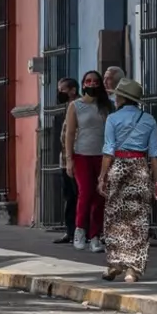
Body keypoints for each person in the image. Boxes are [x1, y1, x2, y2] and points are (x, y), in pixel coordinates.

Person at [97, 78, 157, 283]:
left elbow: (108, 150)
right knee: (139, 219)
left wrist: (102, 176)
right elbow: (154, 154)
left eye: (117, 95)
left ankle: (115, 263)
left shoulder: (113, 119)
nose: (115, 98)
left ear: (123, 98)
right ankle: (133, 270)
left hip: (119, 168)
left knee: (115, 218)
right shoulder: (149, 120)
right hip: (140, 169)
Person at [64, 70, 112, 252]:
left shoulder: (107, 106)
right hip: (81, 155)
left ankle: (95, 236)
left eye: (95, 81)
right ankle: (80, 230)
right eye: (88, 81)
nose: (91, 84)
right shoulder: (75, 106)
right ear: (83, 84)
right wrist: (69, 159)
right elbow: (69, 134)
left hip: (102, 156)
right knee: (85, 192)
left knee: (100, 196)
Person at [50, 77, 79, 244]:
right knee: (69, 196)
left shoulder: (80, 106)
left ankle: (82, 231)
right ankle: (70, 231)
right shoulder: (67, 106)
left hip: (76, 158)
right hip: (65, 159)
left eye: (63, 90)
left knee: (78, 195)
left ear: (72, 90)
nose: (59, 93)